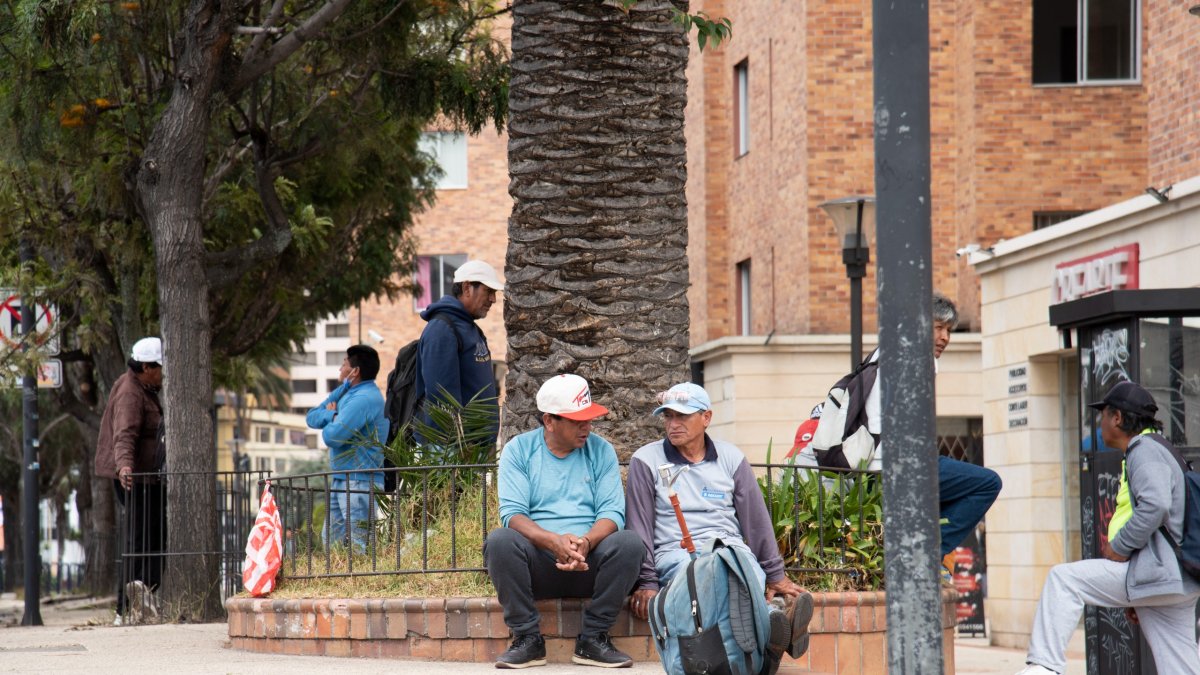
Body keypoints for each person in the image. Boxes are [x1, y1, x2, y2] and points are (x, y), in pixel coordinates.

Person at [625, 382, 815, 668]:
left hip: (732, 549)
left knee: (739, 563)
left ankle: (770, 624)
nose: (673, 424)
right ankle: (770, 620)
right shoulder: (646, 459)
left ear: (706, 418)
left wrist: (775, 575)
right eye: (668, 417)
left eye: (682, 416)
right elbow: (639, 525)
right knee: (716, 574)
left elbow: (755, 520)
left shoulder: (731, 458)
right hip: (678, 555)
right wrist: (647, 581)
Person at [1016, 381, 1200, 675]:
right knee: (1181, 669)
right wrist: (1139, 590)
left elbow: (1156, 505)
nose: (1100, 422)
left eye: (1103, 414)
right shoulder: (1163, 449)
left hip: (1161, 572)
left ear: (1118, 418)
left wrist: (1119, 546)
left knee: (1063, 580)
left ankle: (1044, 668)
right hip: (1178, 580)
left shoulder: (1144, 449)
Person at [485, 374, 643, 669]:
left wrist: (586, 542)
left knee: (629, 543)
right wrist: (553, 542)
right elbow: (513, 514)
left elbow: (612, 513)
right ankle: (527, 639)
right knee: (500, 541)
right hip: (538, 563)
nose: (587, 427)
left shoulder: (601, 450)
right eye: (577, 420)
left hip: (590, 562)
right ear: (549, 421)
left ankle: (593, 639)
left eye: (589, 419)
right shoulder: (519, 451)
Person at [863, 293, 1002, 574]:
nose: (945, 337)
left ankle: (919, 551)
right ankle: (928, 553)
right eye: (937, 328)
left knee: (960, 485)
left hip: (877, 465)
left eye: (948, 330)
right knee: (987, 483)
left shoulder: (883, 353)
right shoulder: (914, 356)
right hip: (898, 466)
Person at [95, 336, 167, 621]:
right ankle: (124, 608)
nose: (163, 372)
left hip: (149, 480)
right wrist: (125, 467)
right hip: (136, 480)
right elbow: (124, 434)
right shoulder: (130, 392)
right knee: (138, 543)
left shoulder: (144, 387)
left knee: (155, 541)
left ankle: (144, 599)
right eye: (160, 367)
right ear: (146, 367)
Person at [306, 344, 389, 550]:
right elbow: (311, 417)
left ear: (355, 371)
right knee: (331, 546)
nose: (340, 369)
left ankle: (363, 582)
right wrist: (333, 414)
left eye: (344, 364)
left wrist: (331, 421)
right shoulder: (349, 394)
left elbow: (333, 437)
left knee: (360, 546)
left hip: (359, 481)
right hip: (343, 478)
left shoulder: (363, 399)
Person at [415, 259, 503, 443]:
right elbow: (442, 400)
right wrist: (461, 446)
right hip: (452, 451)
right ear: (466, 288)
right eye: (488, 291)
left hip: (472, 449)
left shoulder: (469, 328)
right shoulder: (442, 329)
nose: (493, 299)